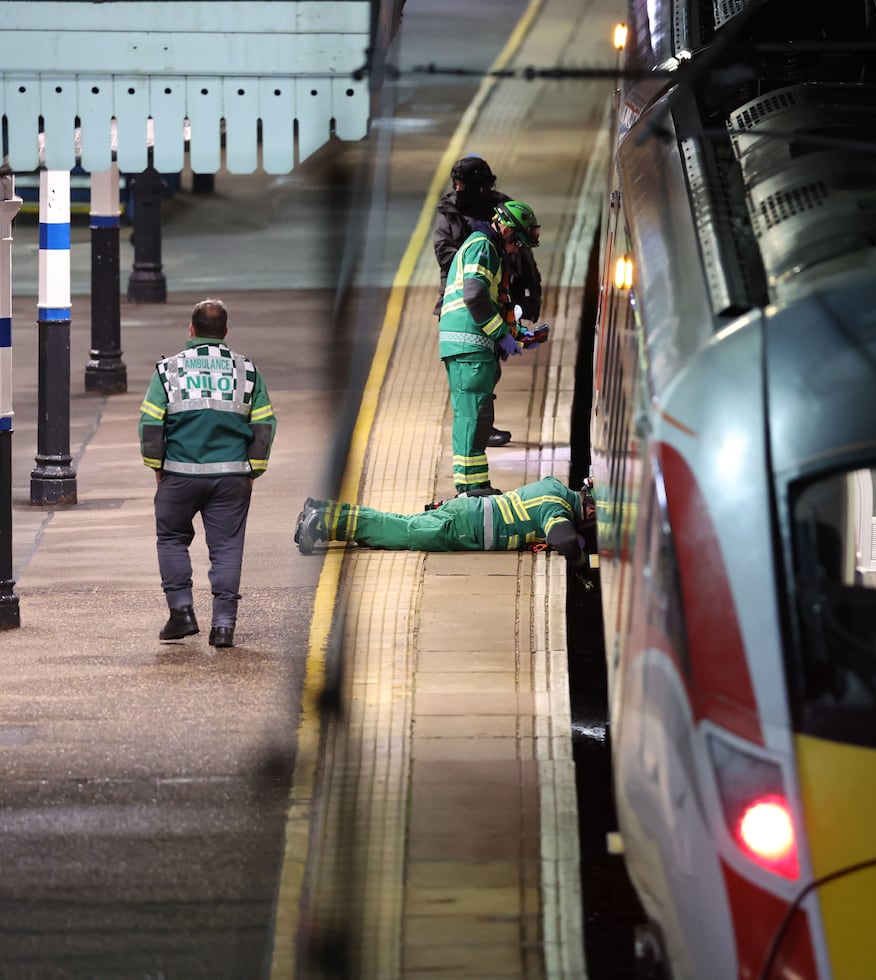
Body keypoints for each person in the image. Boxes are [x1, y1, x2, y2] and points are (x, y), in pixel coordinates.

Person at [139, 298, 277, 649]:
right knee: (227, 547)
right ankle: (223, 626)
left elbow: (151, 424)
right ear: (225, 332)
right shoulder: (247, 371)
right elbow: (264, 425)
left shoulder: (168, 370)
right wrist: (252, 470)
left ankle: (182, 613)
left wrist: (158, 467)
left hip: (179, 474)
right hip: (232, 476)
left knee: (171, 539)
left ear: (192, 330)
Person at [439, 199, 549, 497]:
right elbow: (474, 296)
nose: (518, 250)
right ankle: (468, 488)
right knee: (472, 417)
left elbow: (489, 299)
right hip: (468, 344)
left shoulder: (488, 248)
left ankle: (475, 485)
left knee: (479, 417)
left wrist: (520, 334)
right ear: (508, 230)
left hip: (471, 345)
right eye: (518, 243)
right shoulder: (483, 247)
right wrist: (501, 334)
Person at [433, 155, 544, 447]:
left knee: (487, 375)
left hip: (489, 309)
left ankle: (480, 447)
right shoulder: (479, 242)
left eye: (462, 184)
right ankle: (478, 448)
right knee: (477, 387)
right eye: (455, 184)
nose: (458, 190)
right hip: (469, 320)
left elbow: (520, 266)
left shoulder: (501, 216)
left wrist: (521, 323)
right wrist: (501, 333)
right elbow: (471, 289)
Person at [293, 476, 596, 566]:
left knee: (399, 522)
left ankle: (326, 511)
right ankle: (323, 523)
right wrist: (581, 559)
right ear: (591, 508)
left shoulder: (553, 486)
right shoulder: (557, 508)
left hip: (467, 512)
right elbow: (563, 540)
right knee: (402, 534)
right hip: (464, 529)